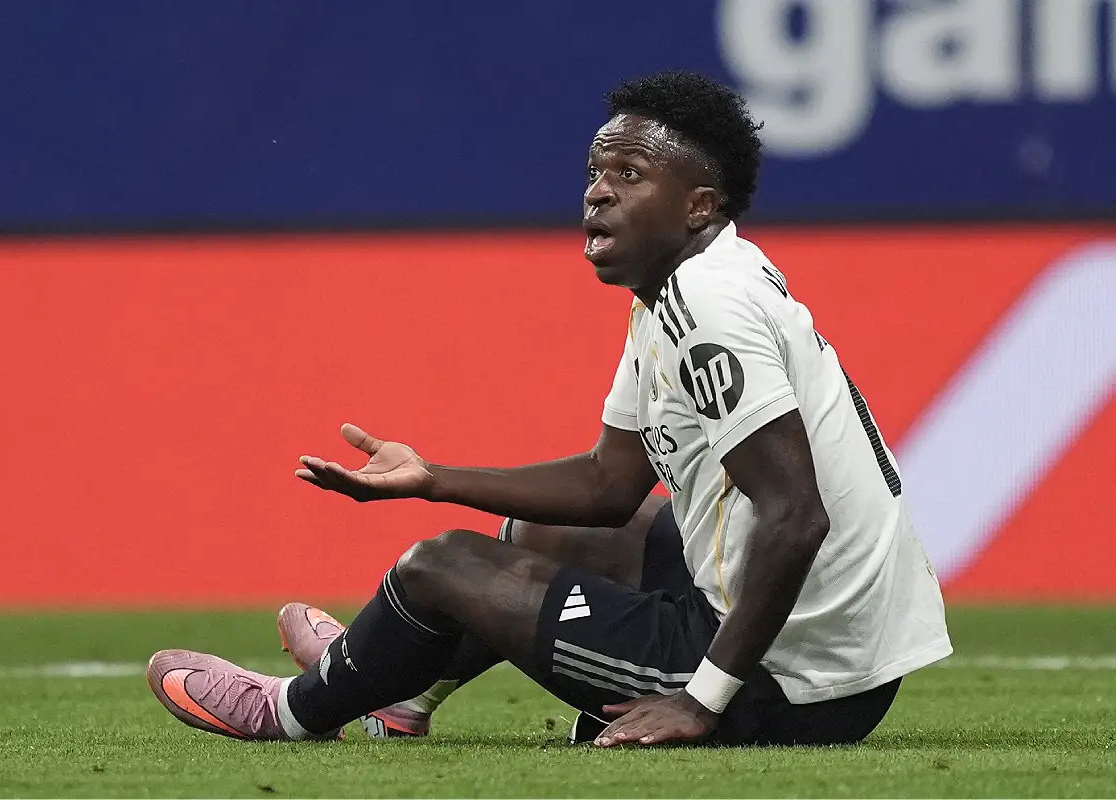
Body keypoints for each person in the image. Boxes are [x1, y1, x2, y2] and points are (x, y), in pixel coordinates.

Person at [147, 70, 952, 747]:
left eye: (629, 176)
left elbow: (796, 515)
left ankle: (292, 714)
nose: (598, 193)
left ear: (699, 206)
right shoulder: (683, 289)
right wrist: (433, 477)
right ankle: (396, 689)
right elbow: (608, 486)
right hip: (828, 642)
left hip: (801, 679)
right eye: (596, 174)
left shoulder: (709, 303)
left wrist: (701, 699)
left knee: (441, 567)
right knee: (547, 532)